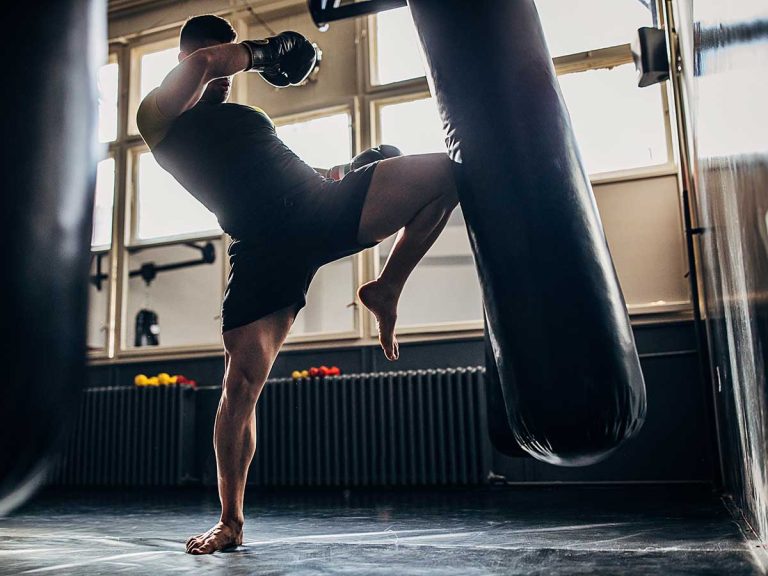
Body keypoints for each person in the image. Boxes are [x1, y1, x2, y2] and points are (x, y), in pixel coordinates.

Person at [137, 14, 459, 554]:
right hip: (263, 247)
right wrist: (262, 52)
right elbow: (208, 62)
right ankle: (231, 522)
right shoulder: (159, 115)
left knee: (448, 175)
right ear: (185, 60)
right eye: (216, 58)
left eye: (230, 61)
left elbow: (294, 173)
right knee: (240, 387)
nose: (224, 74)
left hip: (319, 205)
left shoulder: (248, 116)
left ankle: (385, 290)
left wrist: (350, 170)